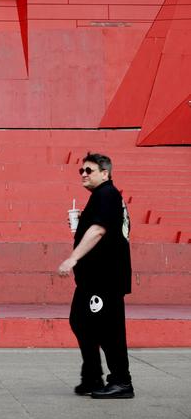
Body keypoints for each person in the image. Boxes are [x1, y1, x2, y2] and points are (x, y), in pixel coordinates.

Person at [57, 153, 134, 399]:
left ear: (105, 173)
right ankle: (92, 376)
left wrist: (73, 258)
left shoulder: (107, 194)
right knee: (80, 320)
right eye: (81, 171)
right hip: (93, 278)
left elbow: (99, 230)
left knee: (108, 328)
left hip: (105, 277)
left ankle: (121, 381)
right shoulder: (102, 197)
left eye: (89, 170)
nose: (83, 174)